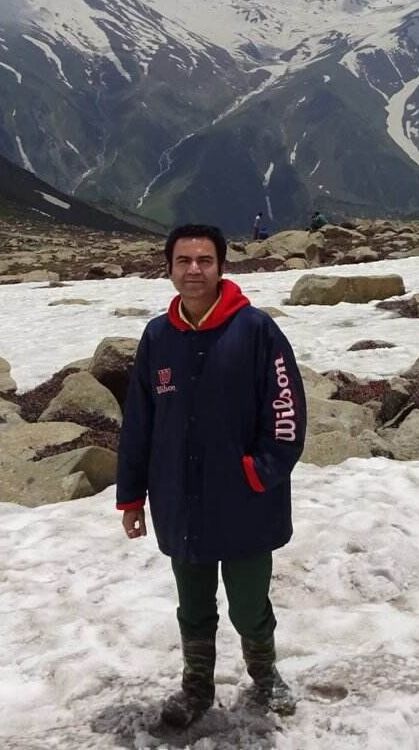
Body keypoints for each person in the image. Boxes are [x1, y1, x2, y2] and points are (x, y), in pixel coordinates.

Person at [116, 223, 308, 729]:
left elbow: (286, 411)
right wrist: (132, 496)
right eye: (184, 261)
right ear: (170, 268)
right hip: (180, 499)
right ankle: (196, 688)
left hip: (246, 498)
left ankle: (266, 678)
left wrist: (261, 472)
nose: (194, 270)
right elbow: (140, 420)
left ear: (221, 266)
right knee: (193, 605)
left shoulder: (256, 330)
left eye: (204, 260)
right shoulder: (158, 336)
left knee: (248, 604)